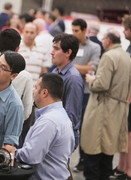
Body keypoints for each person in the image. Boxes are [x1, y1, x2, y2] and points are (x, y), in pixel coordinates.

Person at [81, 28, 131, 180]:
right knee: (107, 155)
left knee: (94, 153)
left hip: (103, 108)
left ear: (108, 40)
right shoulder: (126, 56)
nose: (102, 41)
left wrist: (91, 80)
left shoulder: (109, 56)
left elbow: (101, 84)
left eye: (103, 38)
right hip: (117, 109)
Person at [15, 73, 75, 180]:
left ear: (44, 92)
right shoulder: (60, 115)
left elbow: (30, 156)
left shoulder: (49, 121)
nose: (33, 91)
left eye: (36, 87)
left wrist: (12, 152)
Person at [110, 15, 131, 180]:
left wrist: (126, 102)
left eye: (126, 29)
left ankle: (128, 173)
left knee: (130, 132)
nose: (123, 31)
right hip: (126, 97)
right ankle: (121, 167)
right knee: (123, 133)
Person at [51, 33, 83, 180]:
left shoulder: (73, 79)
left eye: (56, 48)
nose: (52, 51)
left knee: (60, 171)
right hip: (54, 130)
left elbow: (72, 115)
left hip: (63, 134)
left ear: (68, 52)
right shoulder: (56, 72)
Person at [71, 18, 101, 173]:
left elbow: (91, 69)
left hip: (86, 93)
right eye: (73, 30)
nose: (74, 33)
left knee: (83, 127)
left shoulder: (94, 47)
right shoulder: (70, 44)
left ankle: (83, 160)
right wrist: (82, 67)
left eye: (76, 31)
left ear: (84, 30)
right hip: (70, 91)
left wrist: (71, 66)